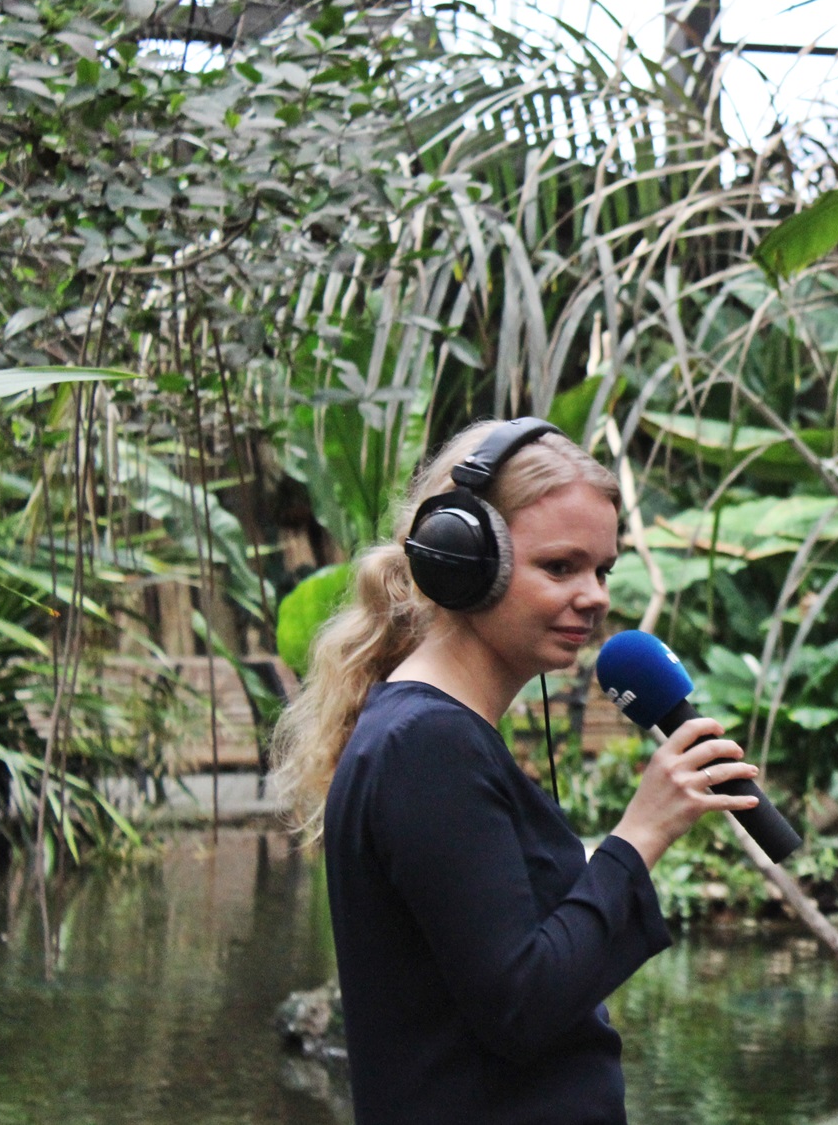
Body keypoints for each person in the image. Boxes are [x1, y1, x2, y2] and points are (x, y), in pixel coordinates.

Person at [269, 418, 761, 1125]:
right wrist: (638, 837)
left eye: (602, 569)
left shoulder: (430, 733)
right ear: (462, 562)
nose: (593, 595)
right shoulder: (426, 744)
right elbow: (522, 1005)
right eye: (560, 566)